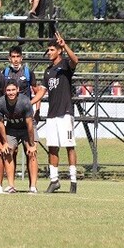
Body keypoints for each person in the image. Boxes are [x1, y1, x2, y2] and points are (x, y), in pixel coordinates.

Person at [31, 32, 79, 193]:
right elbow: (41, 92)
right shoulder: (48, 71)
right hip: (52, 114)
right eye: (49, 50)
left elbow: (75, 60)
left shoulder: (65, 64)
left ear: (59, 51)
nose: (49, 52)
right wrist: (28, 102)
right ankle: (54, 180)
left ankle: (73, 180)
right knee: (52, 147)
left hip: (65, 113)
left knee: (69, 146)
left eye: (52, 49)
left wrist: (65, 45)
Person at [0, 79, 38, 193]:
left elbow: (29, 123)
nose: (11, 92)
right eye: (8, 90)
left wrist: (32, 144)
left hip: (26, 129)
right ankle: (11, 185)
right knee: (7, 151)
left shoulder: (25, 102)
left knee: (31, 152)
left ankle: (33, 187)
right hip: (12, 129)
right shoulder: (0, 102)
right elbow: (0, 123)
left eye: (13, 90)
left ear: (18, 90)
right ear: (5, 91)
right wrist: (4, 142)